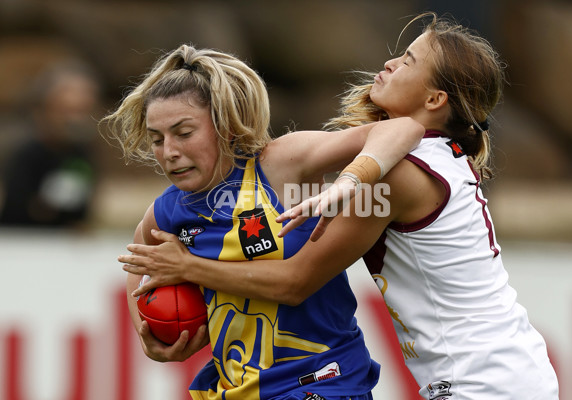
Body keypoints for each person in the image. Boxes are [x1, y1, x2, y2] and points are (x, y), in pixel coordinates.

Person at [120, 13, 560, 400]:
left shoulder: (399, 174)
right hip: (498, 371)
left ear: (434, 101)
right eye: (157, 139)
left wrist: (188, 267)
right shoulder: (431, 155)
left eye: (408, 60)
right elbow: (138, 254)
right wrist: (147, 325)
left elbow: (295, 281)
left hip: (481, 381)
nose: (389, 62)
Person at [101, 43, 425, 400]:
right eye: (156, 139)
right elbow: (138, 263)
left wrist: (350, 180)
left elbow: (403, 129)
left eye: (184, 132)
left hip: (324, 383)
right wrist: (148, 335)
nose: (169, 152)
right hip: (235, 390)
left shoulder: (279, 165)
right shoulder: (167, 211)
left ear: (224, 123)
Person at [0, 61, 100, 228]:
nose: (73, 121)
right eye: (65, 111)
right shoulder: (25, 154)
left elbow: (82, 210)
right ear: (43, 110)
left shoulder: (82, 154)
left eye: (81, 112)